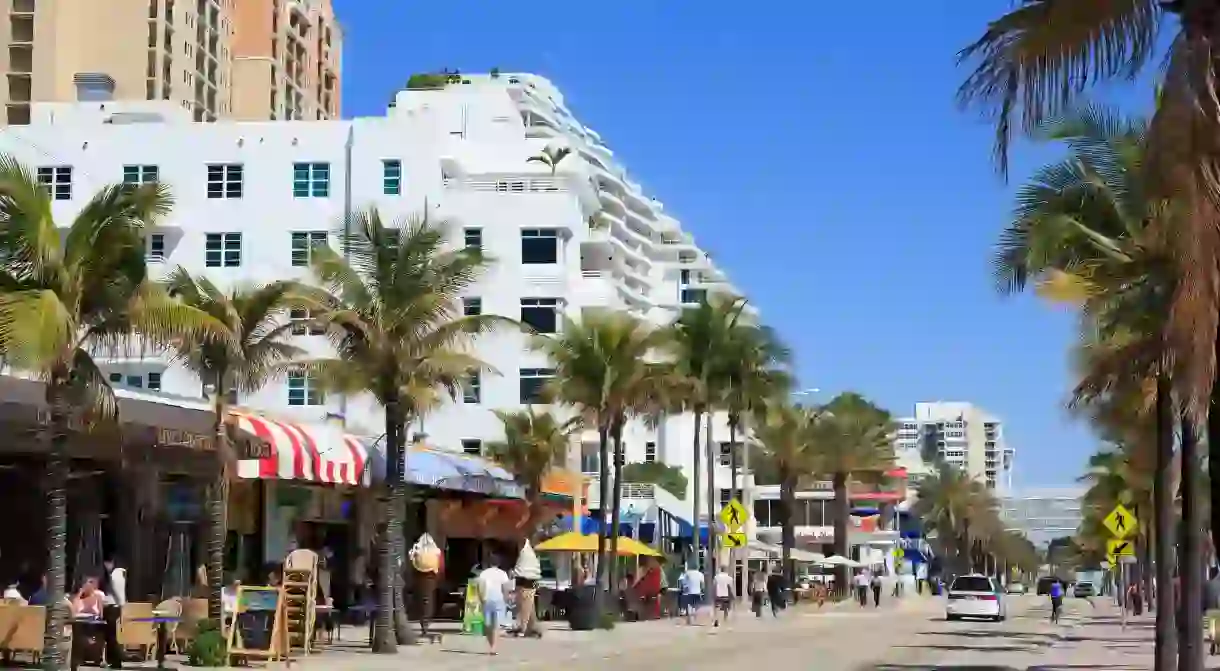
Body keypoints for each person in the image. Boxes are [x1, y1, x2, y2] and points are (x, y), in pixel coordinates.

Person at [474, 554, 511, 655]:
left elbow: (479, 586)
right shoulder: (503, 573)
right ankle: (493, 647)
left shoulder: (484, 573)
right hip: (499, 600)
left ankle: (492, 646)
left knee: (488, 625)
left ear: (489, 563)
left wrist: (481, 599)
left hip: (487, 599)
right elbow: (505, 588)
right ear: (499, 563)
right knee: (496, 625)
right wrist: (506, 599)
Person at [101, 557, 127, 670]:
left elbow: (117, 592)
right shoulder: (119, 575)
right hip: (115, 606)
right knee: (111, 636)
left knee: (111, 636)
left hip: (112, 606)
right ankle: (113, 660)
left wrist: (121, 604)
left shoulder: (115, 576)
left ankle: (116, 660)